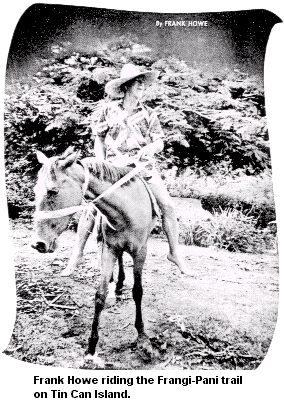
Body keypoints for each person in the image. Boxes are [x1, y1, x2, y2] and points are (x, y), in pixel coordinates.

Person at [62, 64, 189, 277]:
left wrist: (150, 148)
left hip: (142, 168)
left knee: (167, 205)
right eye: (138, 82)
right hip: (113, 170)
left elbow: (160, 143)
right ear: (127, 86)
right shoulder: (107, 110)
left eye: (143, 83)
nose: (142, 86)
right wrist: (101, 165)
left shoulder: (149, 114)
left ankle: (174, 252)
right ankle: (77, 254)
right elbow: (99, 140)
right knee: (92, 207)